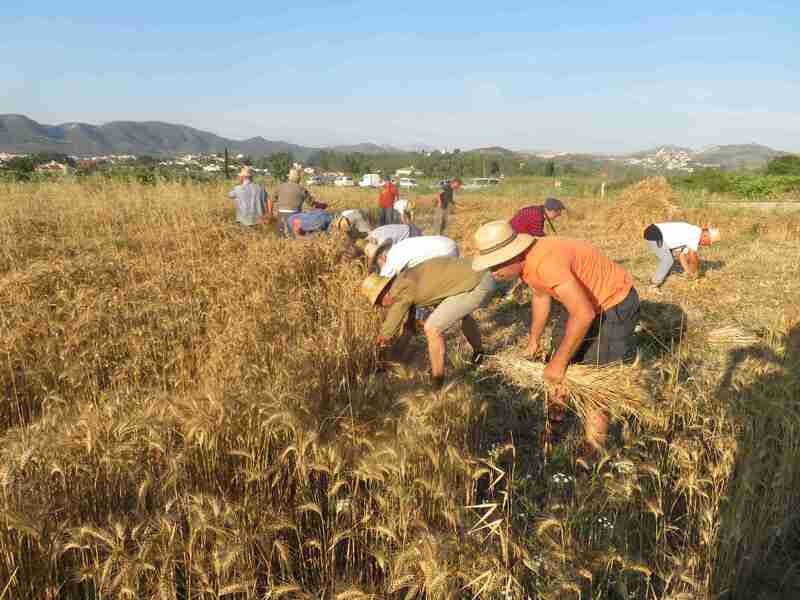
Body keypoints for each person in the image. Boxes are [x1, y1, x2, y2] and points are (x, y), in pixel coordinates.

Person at [472, 220, 640, 452]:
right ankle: (554, 429)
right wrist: (534, 341)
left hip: (614, 300)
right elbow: (541, 297)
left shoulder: (545, 262)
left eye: (496, 265)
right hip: (584, 303)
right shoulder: (528, 264)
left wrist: (560, 363)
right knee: (556, 366)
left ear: (515, 254)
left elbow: (583, 314)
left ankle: (592, 450)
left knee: (595, 379)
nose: (494, 273)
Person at [361, 256, 495, 388]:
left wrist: (374, 356)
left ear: (383, 294)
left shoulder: (399, 291)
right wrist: (393, 359)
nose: (381, 306)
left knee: (432, 328)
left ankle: (437, 385)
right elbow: (409, 328)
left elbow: (387, 331)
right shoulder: (405, 281)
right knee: (463, 315)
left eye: (378, 303)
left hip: (479, 284)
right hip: (479, 274)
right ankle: (479, 353)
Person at [644, 222, 721, 289]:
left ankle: (661, 275)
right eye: (709, 242)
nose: (708, 245)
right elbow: (693, 257)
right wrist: (694, 272)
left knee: (670, 258)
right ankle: (653, 285)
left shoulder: (690, 236)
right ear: (706, 235)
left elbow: (681, 255)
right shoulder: (695, 234)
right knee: (667, 260)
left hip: (654, 231)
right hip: (654, 233)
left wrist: (688, 272)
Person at [369, 235, 459, 277]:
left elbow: (383, 283)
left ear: (381, 257)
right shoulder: (398, 246)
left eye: (377, 264)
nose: (379, 267)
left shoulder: (392, 259)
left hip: (444, 253)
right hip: (448, 242)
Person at [272, 169, 312, 237]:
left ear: (289, 177)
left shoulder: (280, 186)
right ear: (299, 179)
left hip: (281, 214)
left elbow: (271, 200)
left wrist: (270, 213)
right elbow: (311, 203)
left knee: (281, 236)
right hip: (295, 215)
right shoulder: (302, 189)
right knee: (293, 236)